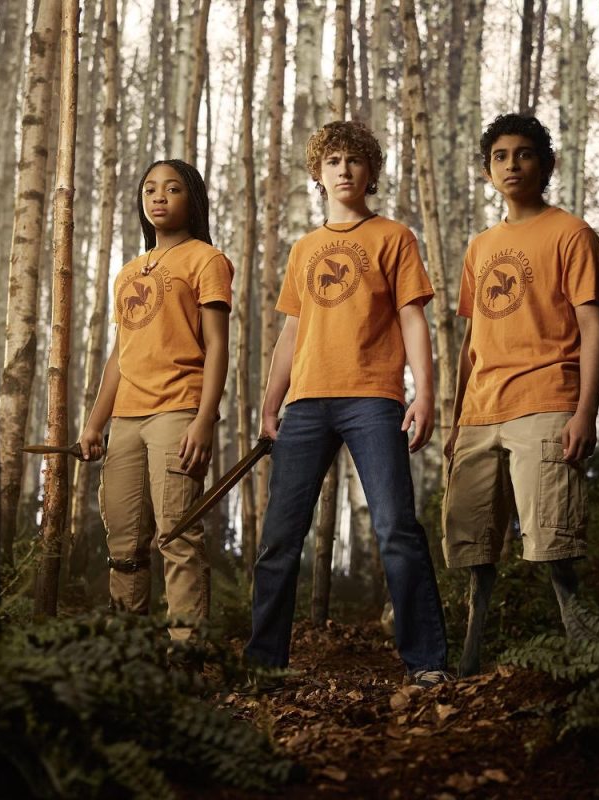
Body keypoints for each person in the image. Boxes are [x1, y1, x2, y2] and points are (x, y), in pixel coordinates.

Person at [245, 120, 449, 686]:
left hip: (373, 398)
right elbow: (291, 331)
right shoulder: (304, 248)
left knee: (395, 528)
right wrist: (270, 406)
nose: (344, 170)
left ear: (370, 173)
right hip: (305, 404)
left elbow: (413, 318)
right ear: (318, 174)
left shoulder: (393, 237)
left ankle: (427, 661)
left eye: (355, 161)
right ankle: (264, 664)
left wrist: (424, 393)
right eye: (332, 161)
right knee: (281, 538)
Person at [442, 114, 599, 674]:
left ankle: (589, 661)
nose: (512, 165)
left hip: (547, 400)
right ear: (488, 171)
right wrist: (457, 419)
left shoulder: (572, 233)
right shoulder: (481, 246)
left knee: (555, 543)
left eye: (524, 154)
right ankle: (469, 658)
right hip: (479, 412)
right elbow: (473, 340)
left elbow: (593, 329)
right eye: (500, 156)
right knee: (472, 545)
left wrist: (585, 413)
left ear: (545, 164)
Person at [77, 159, 233, 640]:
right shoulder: (127, 274)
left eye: (172, 188)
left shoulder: (206, 260)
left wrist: (204, 420)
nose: (159, 197)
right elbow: (120, 357)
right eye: (149, 189)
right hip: (125, 419)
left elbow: (218, 345)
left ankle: (185, 655)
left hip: (178, 413)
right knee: (124, 544)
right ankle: (131, 655)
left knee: (178, 536)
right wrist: (93, 423)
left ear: (193, 200)